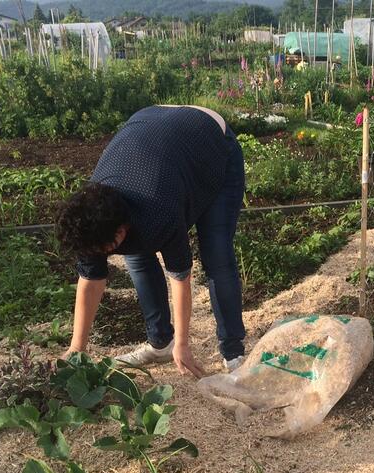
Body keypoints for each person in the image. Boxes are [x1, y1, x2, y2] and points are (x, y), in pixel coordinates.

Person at [56, 105, 246, 378]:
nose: (103, 254)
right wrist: (77, 347)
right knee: (137, 256)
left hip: (211, 143)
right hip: (156, 129)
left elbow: (180, 277)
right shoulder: (88, 219)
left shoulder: (158, 211)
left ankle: (233, 352)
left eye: (108, 248)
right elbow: (90, 281)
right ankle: (160, 343)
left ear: (121, 229)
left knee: (216, 254)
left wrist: (183, 344)